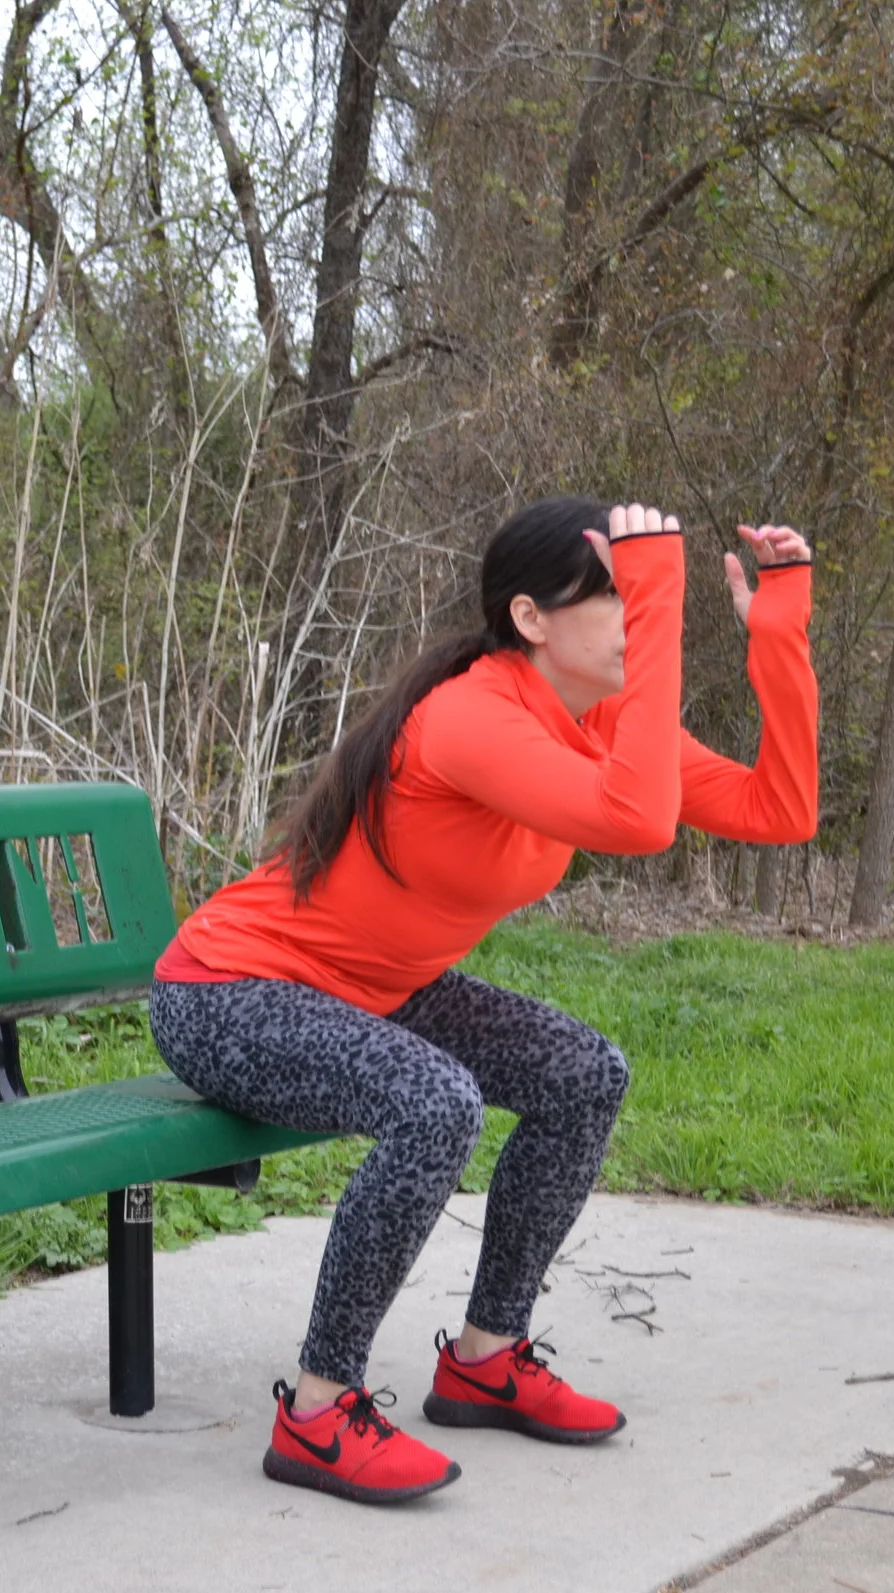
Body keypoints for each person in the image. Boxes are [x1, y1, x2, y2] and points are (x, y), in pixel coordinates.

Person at [148, 498, 818, 1505]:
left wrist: (777, 630)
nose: (635, 617)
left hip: (379, 992)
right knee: (435, 1101)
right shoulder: (470, 714)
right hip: (229, 993)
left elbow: (782, 807)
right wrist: (662, 580)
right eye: (615, 598)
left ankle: (485, 1354)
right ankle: (320, 1408)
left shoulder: (598, 723)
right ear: (532, 618)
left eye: (638, 599)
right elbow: (640, 824)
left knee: (581, 1073)